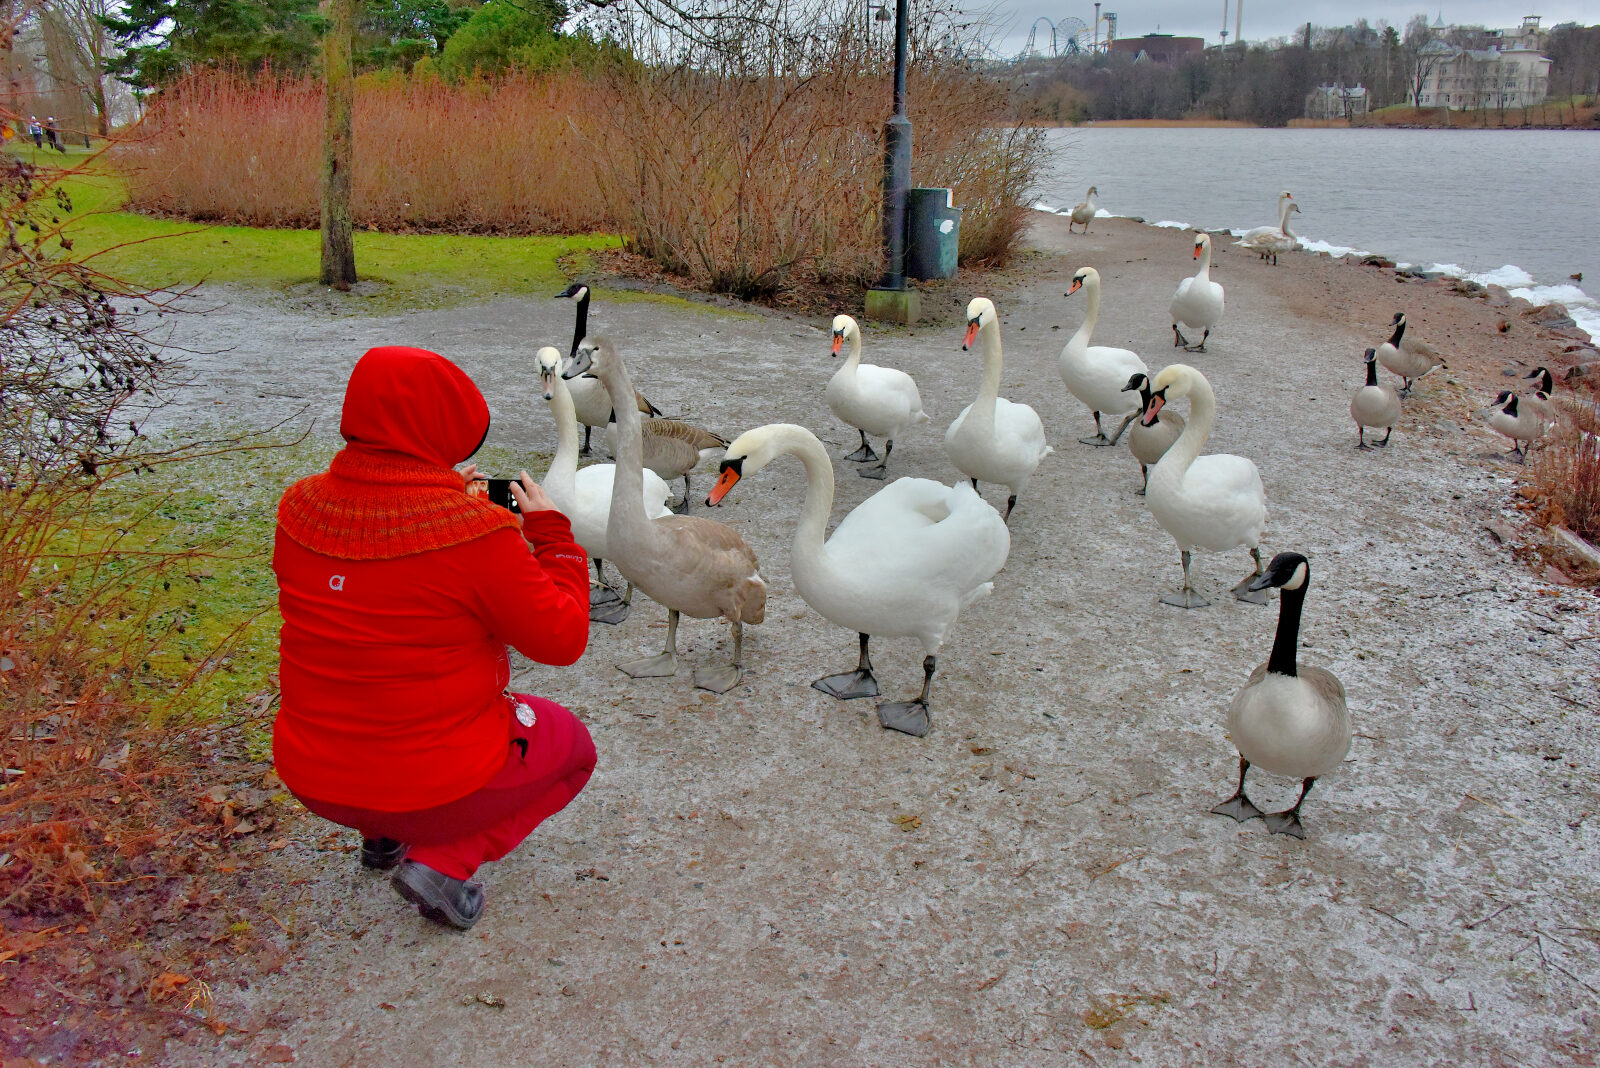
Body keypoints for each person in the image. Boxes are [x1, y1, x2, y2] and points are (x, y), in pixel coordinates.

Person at [272, 346, 596, 929]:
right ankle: (445, 862)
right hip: (428, 780)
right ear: (448, 425)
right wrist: (552, 536)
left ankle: (382, 840)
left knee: (371, 686)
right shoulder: (472, 535)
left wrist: (434, 492)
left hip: (312, 773)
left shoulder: (299, 510)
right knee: (572, 750)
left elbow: (375, 579)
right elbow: (563, 637)